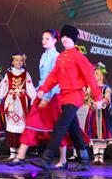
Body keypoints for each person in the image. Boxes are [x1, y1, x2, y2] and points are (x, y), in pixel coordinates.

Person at [35, 24, 102, 172]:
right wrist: (43, 89)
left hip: (75, 96)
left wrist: (97, 97)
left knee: (60, 127)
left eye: (68, 37)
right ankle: (84, 160)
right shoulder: (61, 57)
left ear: (74, 39)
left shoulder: (79, 57)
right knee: (74, 130)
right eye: (63, 36)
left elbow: (90, 78)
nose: (65, 39)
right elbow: (53, 76)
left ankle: (46, 159)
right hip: (64, 97)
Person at [9, 29, 70, 168]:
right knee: (31, 123)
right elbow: (43, 78)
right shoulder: (43, 56)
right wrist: (38, 92)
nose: (44, 41)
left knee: (57, 128)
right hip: (42, 93)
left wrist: (47, 97)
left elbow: (56, 80)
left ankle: (63, 160)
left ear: (55, 41)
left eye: (48, 38)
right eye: (43, 38)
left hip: (53, 97)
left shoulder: (57, 57)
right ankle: (20, 156)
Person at [0, 54, 37, 161]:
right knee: (11, 127)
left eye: (21, 60)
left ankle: (20, 154)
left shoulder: (26, 74)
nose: (19, 62)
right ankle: (12, 153)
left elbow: (31, 89)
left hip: (22, 104)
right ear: (12, 62)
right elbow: (3, 89)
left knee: (21, 127)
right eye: (16, 60)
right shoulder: (8, 74)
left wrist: (35, 100)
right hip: (11, 103)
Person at [82, 62, 112, 165]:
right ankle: (95, 157)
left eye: (96, 74)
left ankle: (101, 157)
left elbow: (107, 98)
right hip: (93, 114)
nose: (94, 76)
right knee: (94, 134)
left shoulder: (106, 88)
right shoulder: (91, 87)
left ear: (102, 76)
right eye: (93, 74)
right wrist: (90, 102)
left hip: (102, 114)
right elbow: (85, 98)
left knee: (102, 135)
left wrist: (101, 103)